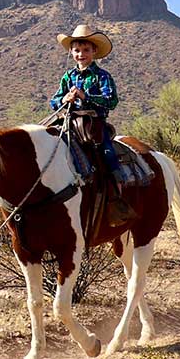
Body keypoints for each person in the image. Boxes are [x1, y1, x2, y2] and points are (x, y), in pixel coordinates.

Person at [50, 24, 135, 226]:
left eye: (86, 50)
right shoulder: (68, 76)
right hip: (70, 124)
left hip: (94, 125)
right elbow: (54, 101)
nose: (81, 54)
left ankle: (117, 196)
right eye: (77, 50)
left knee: (107, 153)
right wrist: (65, 99)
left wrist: (85, 96)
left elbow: (111, 100)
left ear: (94, 52)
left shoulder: (102, 76)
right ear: (71, 52)